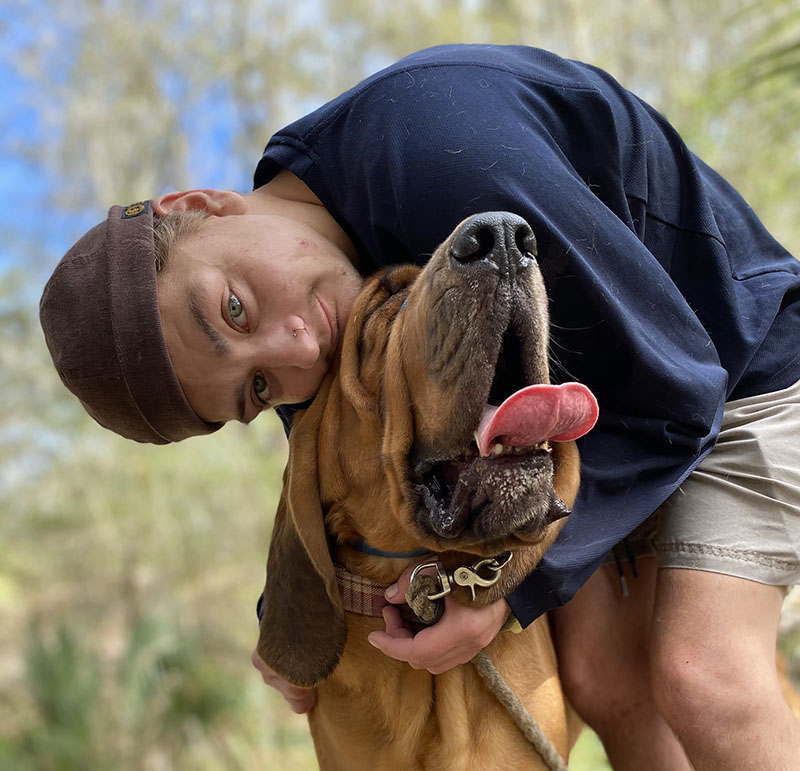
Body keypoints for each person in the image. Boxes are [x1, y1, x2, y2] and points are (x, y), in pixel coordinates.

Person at [40, 44, 800, 769]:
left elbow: (682, 379)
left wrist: (508, 590)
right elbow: (338, 454)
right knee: (605, 677)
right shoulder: (317, 290)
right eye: (259, 389)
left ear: (202, 202)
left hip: (737, 363)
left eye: (234, 308)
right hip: (604, 413)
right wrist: (292, 618)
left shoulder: (434, 155)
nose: (300, 346)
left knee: (706, 677)